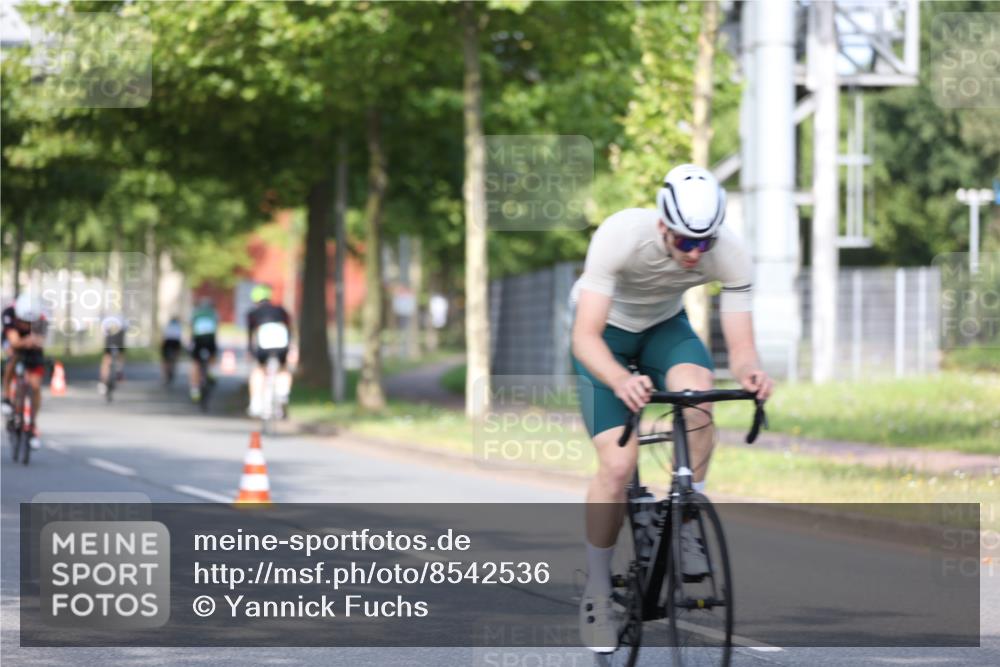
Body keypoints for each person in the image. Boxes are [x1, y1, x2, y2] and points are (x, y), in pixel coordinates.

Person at [570, 164, 774, 653]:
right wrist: (620, 379)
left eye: (704, 242)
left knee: (698, 396)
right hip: (606, 339)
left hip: (665, 329)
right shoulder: (621, 236)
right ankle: (597, 590)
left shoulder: (730, 253)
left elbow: (742, 349)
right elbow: (585, 337)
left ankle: (685, 518)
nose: (695, 253)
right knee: (618, 464)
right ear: (663, 224)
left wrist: (751, 372)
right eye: (685, 241)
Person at [4, 294, 48, 448]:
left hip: (32, 346)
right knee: (12, 357)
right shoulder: (9, 313)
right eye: (22, 321)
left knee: (35, 386)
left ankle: (32, 425)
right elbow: (14, 341)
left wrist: (33, 341)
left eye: (29, 323)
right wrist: (27, 341)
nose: (25, 325)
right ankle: (7, 397)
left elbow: (40, 341)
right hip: (12, 341)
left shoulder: (41, 318)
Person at [245, 284, 293, 418]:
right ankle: (283, 393)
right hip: (282, 343)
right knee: (283, 368)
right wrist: (291, 348)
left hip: (264, 345)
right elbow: (289, 329)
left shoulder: (253, 313)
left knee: (259, 370)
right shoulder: (281, 310)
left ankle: (256, 402)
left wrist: (250, 351)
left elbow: (251, 334)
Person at [189, 297, 219, 402]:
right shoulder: (213, 313)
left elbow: (191, 328)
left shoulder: (195, 313)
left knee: (195, 363)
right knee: (213, 355)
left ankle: (194, 390)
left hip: (198, 340)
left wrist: (190, 342)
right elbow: (216, 328)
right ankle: (211, 371)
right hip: (210, 339)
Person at [98, 312, 127, 395]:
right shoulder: (121, 316)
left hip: (110, 331)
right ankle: (119, 371)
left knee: (107, 358)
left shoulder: (107, 313)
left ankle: (103, 381)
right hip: (118, 332)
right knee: (119, 354)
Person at [161, 315, 184, 386]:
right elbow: (180, 337)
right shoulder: (178, 326)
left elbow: (163, 336)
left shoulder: (167, 325)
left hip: (167, 342)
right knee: (175, 356)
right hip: (175, 342)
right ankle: (174, 366)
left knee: (165, 360)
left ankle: (165, 375)